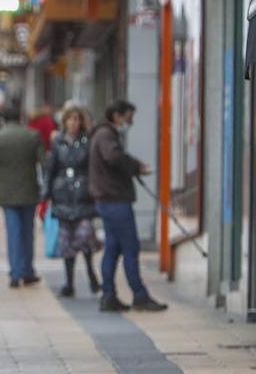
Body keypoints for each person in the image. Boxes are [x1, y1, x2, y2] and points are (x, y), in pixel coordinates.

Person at [88, 100, 167, 313]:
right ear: (117, 115)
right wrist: (134, 166)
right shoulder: (106, 135)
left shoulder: (103, 134)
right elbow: (113, 157)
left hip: (109, 200)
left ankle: (109, 295)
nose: (130, 122)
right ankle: (139, 295)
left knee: (113, 249)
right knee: (130, 247)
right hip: (115, 201)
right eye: (128, 117)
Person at [42, 103, 100, 297]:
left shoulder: (87, 140)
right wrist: (46, 194)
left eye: (77, 119)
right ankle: (69, 282)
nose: (74, 123)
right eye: (71, 119)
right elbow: (50, 169)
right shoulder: (57, 141)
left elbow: (92, 166)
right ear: (65, 121)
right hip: (63, 195)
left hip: (83, 194)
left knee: (85, 236)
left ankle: (92, 274)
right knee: (66, 241)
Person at [0, 102, 44, 288]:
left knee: (13, 232)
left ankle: (15, 272)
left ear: (3, 119)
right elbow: (43, 161)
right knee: (28, 232)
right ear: (20, 118)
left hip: (7, 191)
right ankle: (27, 271)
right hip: (29, 189)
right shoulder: (32, 135)